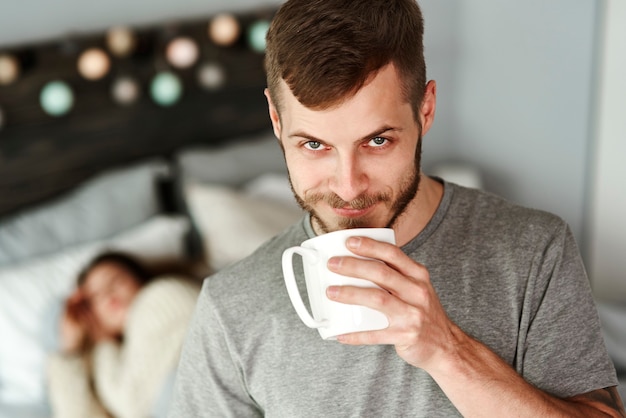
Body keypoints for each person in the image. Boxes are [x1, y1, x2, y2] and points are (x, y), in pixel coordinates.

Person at [168, 0, 625, 416]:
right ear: (276, 121)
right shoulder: (230, 309)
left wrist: (447, 350)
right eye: (314, 144)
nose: (348, 187)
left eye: (377, 141)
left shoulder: (533, 251)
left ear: (425, 110)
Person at [47, 251, 200, 418]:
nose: (108, 295)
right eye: (95, 296)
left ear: (140, 279)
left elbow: (134, 407)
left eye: (116, 281)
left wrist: (103, 342)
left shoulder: (161, 295)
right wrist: (71, 349)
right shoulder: (115, 358)